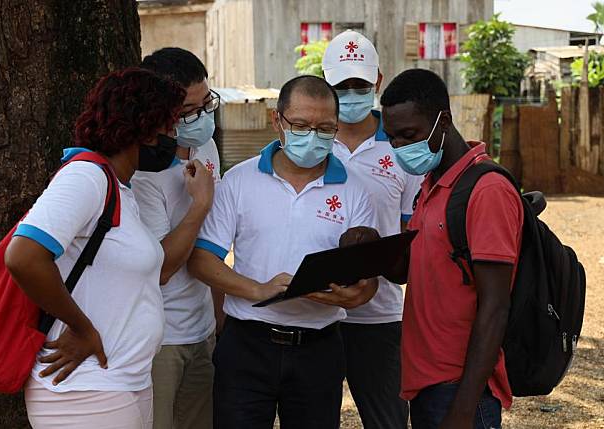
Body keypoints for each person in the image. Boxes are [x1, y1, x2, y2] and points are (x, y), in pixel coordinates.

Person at [187, 75, 379, 429]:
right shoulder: (240, 181)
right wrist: (257, 290)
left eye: (325, 128)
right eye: (301, 125)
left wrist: (356, 295)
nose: (313, 136)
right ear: (277, 120)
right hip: (247, 343)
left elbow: (367, 280)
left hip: (320, 348)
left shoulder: (355, 190)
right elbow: (202, 260)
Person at [4, 68, 188, 429]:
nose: (175, 137)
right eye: (168, 126)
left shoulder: (120, 188)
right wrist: (81, 327)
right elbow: (23, 255)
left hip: (123, 382)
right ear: (143, 125)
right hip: (83, 389)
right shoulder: (86, 177)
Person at [381, 69, 523, 429]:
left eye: (409, 135)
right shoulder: (430, 185)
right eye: (392, 138)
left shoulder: (486, 190)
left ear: (443, 121)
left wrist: (463, 410)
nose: (399, 148)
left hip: (460, 392)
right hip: (427, 384)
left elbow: (495, 306)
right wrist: (369, 247)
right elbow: (412, 269)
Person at [322, 29, 422, 429]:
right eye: (341, 86)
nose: (351, 94)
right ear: (325, 82)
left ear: (378, 80)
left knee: (388, 421)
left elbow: (409, 235)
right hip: (316, 313)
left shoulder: (403, 147)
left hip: (380, 318)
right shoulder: (308, 141)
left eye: (360, 85)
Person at [131, 47, 220, 429]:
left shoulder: (205, 146)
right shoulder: (141, 172)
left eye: (206, 104)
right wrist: (199, 205)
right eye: (187, 112)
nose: (200, 119)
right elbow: (161, 268)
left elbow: (216, 241)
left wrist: (219, 315)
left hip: (204, 329)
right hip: (160, 341)